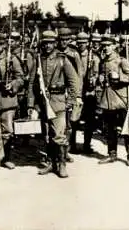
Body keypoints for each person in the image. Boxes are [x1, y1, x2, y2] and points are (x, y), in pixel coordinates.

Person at [27, 29, 80, 178]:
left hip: (58, 103)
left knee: (59, 135)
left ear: (55, 43)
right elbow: (32, 83)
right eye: (45, 43)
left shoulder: (62, 59)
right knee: (47, 135)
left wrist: (70, 101)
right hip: (43, 103)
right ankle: (50, 163)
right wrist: (31, 104)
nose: (48, 46)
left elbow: (73, 82)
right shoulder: (38, 59)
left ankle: (61, 164)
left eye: (51, 43)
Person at [96, 34, 129, 166]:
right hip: (107, 100)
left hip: (121, 100)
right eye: (104, 46)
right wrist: (100, 79)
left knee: (127, 128)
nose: (106, 48)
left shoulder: (122, 61)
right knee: (110, 129)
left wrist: (119, 76)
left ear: (114, 46)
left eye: (108, 46)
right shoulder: (103, 62)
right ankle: (112, 154)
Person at [0, 32, 25, 169]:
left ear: (4, 45)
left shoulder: (12, 59)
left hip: (7, 99)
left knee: (8, 130)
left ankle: (6, 157)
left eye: (0, 44)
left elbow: (21, 78)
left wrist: (13, 85)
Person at [57, 27, 82, 159]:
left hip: (70, 92)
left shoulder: (74, 54)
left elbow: (79, 75)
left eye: (66, 40)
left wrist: (78, 94)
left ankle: (67, 150)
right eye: (61, 40)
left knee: (70, 123)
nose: (63, 42)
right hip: (59, 92)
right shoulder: (55, 53)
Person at [76, 31, 100, 154]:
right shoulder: (73, 55)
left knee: (89, 120)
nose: (81, 45)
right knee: (74, 119)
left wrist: (93, 79)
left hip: (89, 92)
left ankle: (86, 144)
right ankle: (72, 144)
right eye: (79, 42)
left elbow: (97, 73)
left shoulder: (94, 57)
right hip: (76, 91)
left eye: (84, 43)